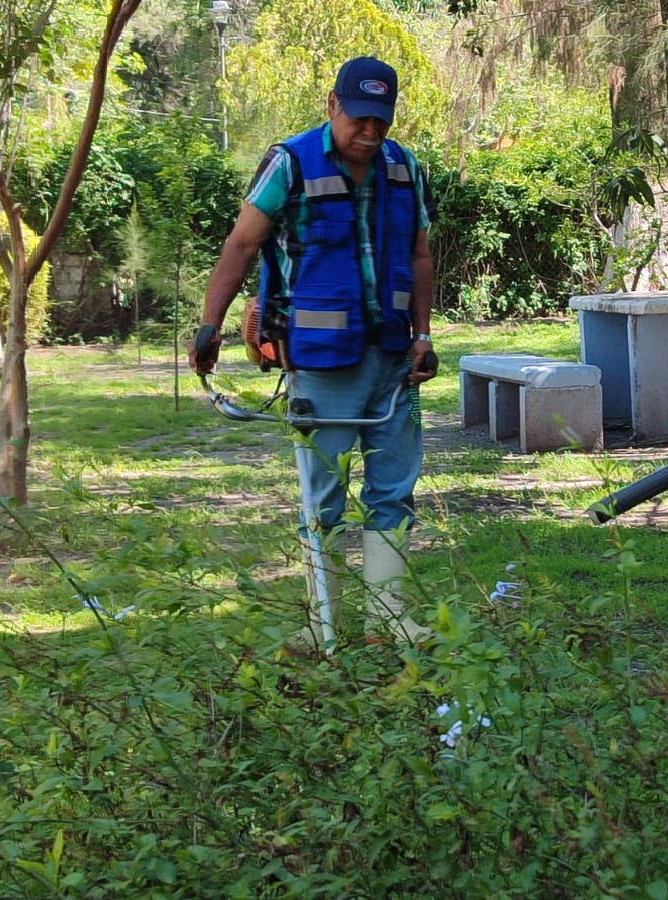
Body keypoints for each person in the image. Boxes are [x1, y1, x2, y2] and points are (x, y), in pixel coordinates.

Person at [189, 56, 437, 650]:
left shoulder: (404, 168)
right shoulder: (291, 162)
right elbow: (240, 245)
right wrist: (210, 325)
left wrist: (424, 336)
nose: (369, 132)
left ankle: (389, 621)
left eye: (380, 121)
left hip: (392, 357)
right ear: (332, 105)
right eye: (358, 119)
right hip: (321, 364)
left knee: (393, 490)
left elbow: (419, 255)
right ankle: (319, 625)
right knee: (321, 496)